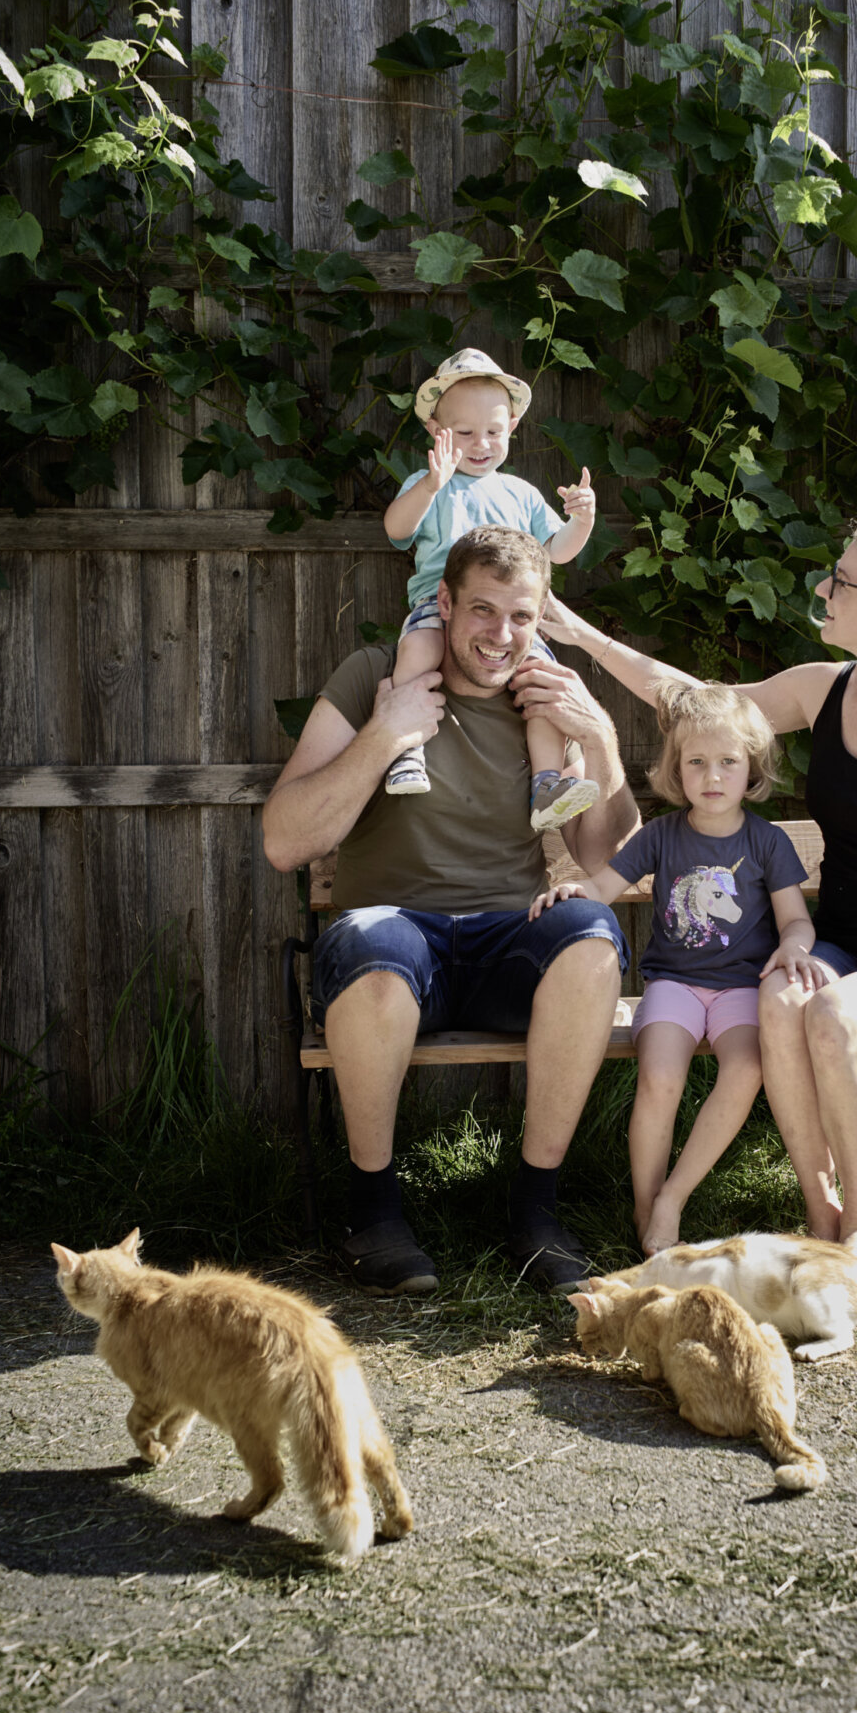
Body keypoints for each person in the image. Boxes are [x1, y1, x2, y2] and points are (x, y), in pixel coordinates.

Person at [541, 515, 857, 1250]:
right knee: (781, 997)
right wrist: (580, 637)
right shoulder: (825, 690)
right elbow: (700, 706)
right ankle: (819, 1215)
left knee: (827, 1014)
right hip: (838, 946)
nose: (822, 588)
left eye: (840, 581)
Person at [262, 525, 639, 1297]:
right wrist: (385, 732)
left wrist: (597, 737)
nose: (500, 636)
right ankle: (374, 1214)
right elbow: (283, 840)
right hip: (396, 945)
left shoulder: (543, 698)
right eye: (482, 611)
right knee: (370, 942)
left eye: (521, 617)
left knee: (592, 938)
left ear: (539, 619)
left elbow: (603, 857)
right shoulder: (375, 675)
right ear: (444, 603)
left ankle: (536, 1212)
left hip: (509, 943)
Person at [529, 682, 827, 1255]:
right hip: (673, 987)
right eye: (696, 762)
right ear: (676, 769)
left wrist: (794, 946)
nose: (712, 776)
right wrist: (571, 894)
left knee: (745, 1070)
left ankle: (674, 1196)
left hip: (744, 987)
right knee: (660, 1077)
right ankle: (647, 1212)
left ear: (752, 769)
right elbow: (602, 887)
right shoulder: (661, 837)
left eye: (727, 762)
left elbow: (795, 921)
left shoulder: (766, 843)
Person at [381, 347, 600, 830]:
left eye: (494, 432)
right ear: (437, 433)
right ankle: (405, 751)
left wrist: (580, 521)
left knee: (544, 682)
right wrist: (430, 487)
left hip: (514, 619)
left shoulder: (520, 493)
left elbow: (557, 550)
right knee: (416, 650)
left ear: (513, 429)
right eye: (464, 433)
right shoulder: (429, 483)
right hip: (438, 608)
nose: (481, 443)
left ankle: (546, 783)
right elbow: (397, 531)